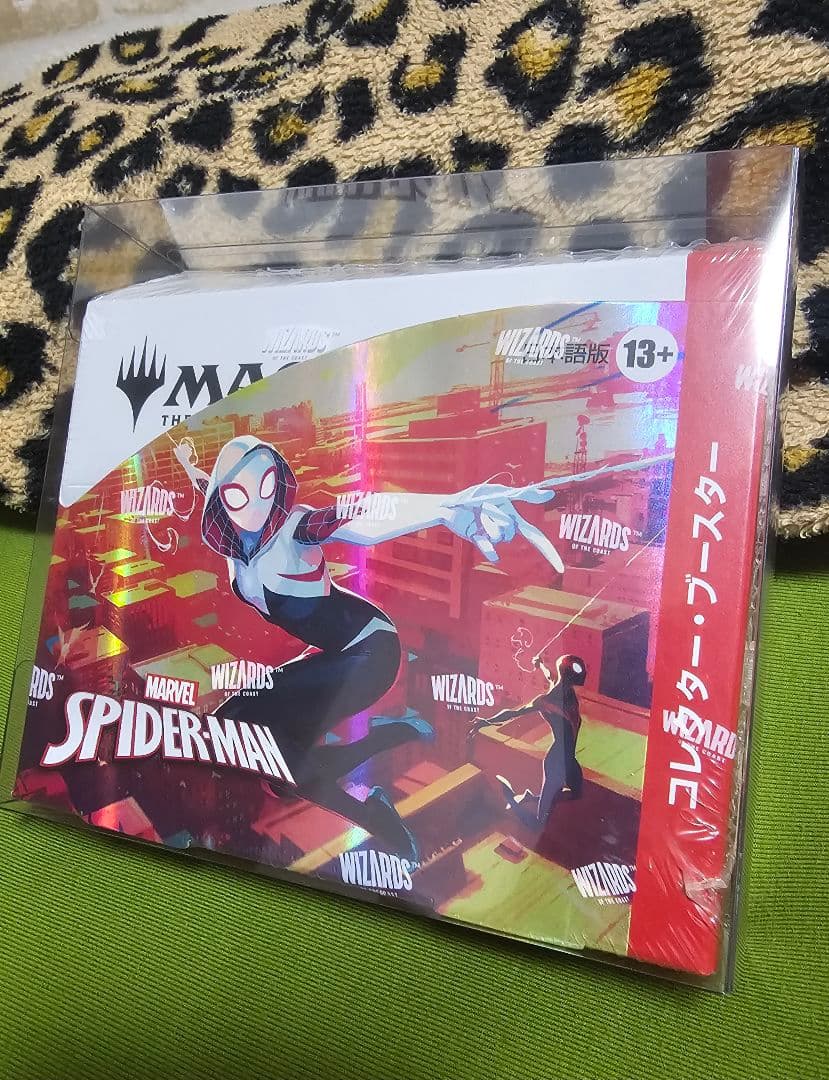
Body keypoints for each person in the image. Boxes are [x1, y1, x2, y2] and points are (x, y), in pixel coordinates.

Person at [175, 434, 567, 861]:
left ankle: (374, 811)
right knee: (281, 771)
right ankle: (381, 759)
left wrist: (444, 508)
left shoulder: (297, 529)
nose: (257, 505)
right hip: (335, 652)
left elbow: (361, 516)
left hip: (370, 651)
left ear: (279, 481)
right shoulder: (236, 544)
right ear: (221, 501)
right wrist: (190, 466)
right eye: (238, 495)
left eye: (266, 486)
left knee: (232, 726)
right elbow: (211, 487)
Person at [472, 653, 587, 830]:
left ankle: (532, 797)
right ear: (567, 675)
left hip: (570, 760)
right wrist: (486, 721)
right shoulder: (545, 702)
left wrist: (540, 664)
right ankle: (510, 797)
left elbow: (551, 676)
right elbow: (512, 713)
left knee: (576, 793)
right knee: (539, 824)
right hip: (556, 762)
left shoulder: (568, 692)